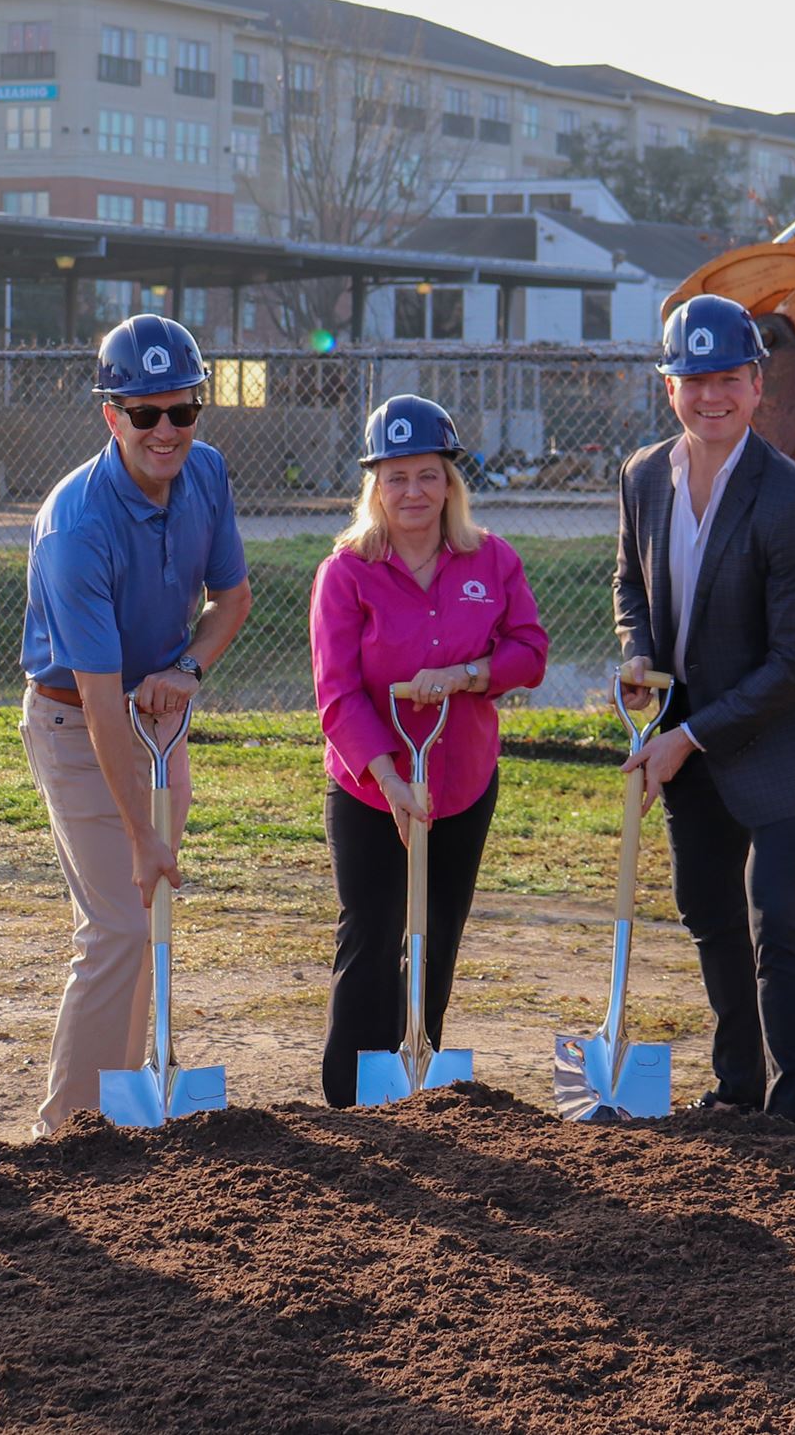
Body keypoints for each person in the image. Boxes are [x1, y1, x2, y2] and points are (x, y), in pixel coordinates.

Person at [614, 294, 795, 1121]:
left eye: (726, 378)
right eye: (691, 378)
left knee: (774, 916)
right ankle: (737, 1089)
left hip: (787, 742)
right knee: (708, 908)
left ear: (757, 386)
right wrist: (639, 653)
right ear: (669, 386)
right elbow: (630, 586)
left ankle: (793, 1113)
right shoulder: (644, 475)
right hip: (691, 732)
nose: (708, 395)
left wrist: (685, 735)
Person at [20, 313, 252, 1135]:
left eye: (181, 410)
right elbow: (93, 698)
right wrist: (139, 832)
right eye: (143, 412)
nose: (165, 430)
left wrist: (187, 670)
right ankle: (70, 1130)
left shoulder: (208, 475)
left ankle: (127, 1106)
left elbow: (233, 599)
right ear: (109, 415)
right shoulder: (76, 527)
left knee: (145, 910)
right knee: (119, 920)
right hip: (79, 722)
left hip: (159, 713)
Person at [309, 396, 549, 1106]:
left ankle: (420, 1086)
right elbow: (337, 693)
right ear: (375, 487)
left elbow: (529, 651)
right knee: (373, 931)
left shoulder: (491, 559)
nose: (412, 491)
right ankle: (349, 1099)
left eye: (427, 475)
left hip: (462, 780)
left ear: (450, 482)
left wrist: (470, 675)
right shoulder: (347, 573)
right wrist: (387, 778)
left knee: (437, 932)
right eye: (396, 477)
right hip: (369, 788)